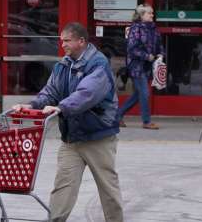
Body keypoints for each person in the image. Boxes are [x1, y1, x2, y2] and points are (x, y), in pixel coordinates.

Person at [13, 22, 124, 222]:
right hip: (71, 138)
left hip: (97, 137)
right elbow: (51, 91)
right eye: (61, 40)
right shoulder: (63, 65)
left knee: (108, 187)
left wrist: (62, 107)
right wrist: (33, 105)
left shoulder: (98, 64)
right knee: (63, 186)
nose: (62, 44)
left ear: (81, 41)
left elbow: (87, 94)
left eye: (67, 40)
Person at [117, 4, 162, 129]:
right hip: (136, 66)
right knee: (144, 93)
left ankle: (117, 116)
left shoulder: (153, 29)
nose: (152, 15)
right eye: (149, 13)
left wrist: (160, 55)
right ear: (142, 15)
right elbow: (132, 49)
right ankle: (146, 121)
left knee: (138, 94)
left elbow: (159, 45)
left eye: (152, 13)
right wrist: (147, 56)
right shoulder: (136, 28)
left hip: (147, 66)